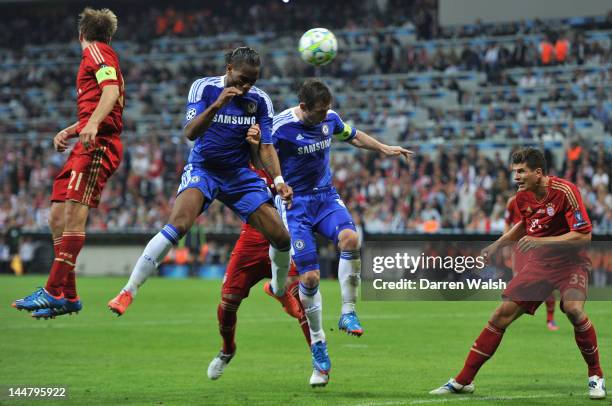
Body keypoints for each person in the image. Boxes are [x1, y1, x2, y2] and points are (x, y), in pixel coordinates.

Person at [108, 46, 299, 320]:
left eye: (252, 81)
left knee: (281, 238)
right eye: (242, 78)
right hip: (204, 169)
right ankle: (129, 290)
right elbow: (190, 132)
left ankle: (279, 290)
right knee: (178, 225)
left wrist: (278, 180)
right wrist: (218, 104)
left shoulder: (260, 101)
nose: (246, 86)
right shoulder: (204, 88)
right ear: (229, 69)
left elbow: (265, 150)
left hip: (239, 175)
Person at [430, 148, 606, 400]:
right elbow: (524, 225)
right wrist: (496, 245)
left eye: (521, 171)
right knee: (500, 315)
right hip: (540, 266)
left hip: (571, 264)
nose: (517, 177)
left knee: (574, 309)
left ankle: (596, 376)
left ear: (539, 172)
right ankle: (462, 381)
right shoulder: (522, 197)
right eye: (515, 172)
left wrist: (542, 243)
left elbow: (583, 236)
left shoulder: (565, 191)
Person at [273, 79, 412, 386]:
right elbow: (260, 152)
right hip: (295, 204)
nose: (326, 116)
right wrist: (277, 180)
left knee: (351, 238)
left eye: (328, 110)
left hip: (324, 197)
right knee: (308, 278)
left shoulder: (329, 119)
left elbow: (353, 135)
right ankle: (319, 345)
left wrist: (383, 147)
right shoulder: (280, 126)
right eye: (320, 112)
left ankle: (348, 311)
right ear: (304, 107)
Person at [12, 8, 125, 319]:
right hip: (86, 140)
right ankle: (68, 296)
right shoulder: (97, 54)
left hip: (98, 145)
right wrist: (73, 128)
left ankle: (51, 289)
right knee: (57, 217)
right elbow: (101, 104)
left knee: (74, 215)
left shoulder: (97, 51)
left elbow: (111, 92)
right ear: (110, 33)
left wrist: (90, 127)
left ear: (81, 35)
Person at [206, 166, 312, 381]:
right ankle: (228, 349)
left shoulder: (287, 157)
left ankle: (318, 358)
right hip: (251, 240)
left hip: (284, 234)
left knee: (301, 296)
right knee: (228, 302)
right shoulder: (243, 163)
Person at [505, 195, 558, 331]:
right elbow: (507, 222)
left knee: (547, 283)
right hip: (520, 247)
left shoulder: (543, 200)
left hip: (539, 246)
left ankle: (550, 319)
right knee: (518, 281)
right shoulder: (512, 202)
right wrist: (507, 244)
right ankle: (508, 315)